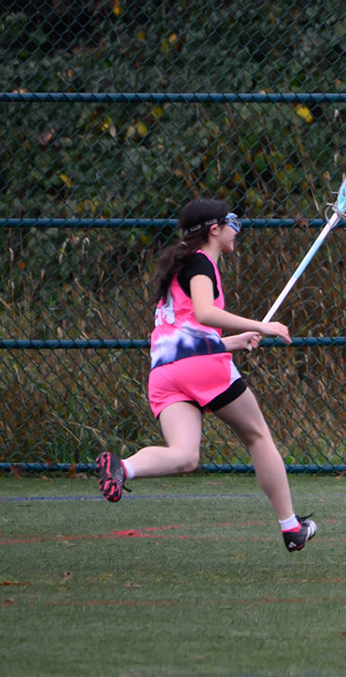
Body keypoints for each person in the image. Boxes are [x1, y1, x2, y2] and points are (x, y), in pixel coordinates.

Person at [95, 198, 315, 550]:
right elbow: (204, 313)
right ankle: (291, 527)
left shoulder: (180, 265)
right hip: (201, 370)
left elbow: (187, 336)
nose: (236, 231)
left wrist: (232, 342)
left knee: (185, 456)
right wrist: (264, 326)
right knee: (258, 437)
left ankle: (123, 468)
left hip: (165, 374)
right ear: (215, 229)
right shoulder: (200, 264)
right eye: (232, 224)